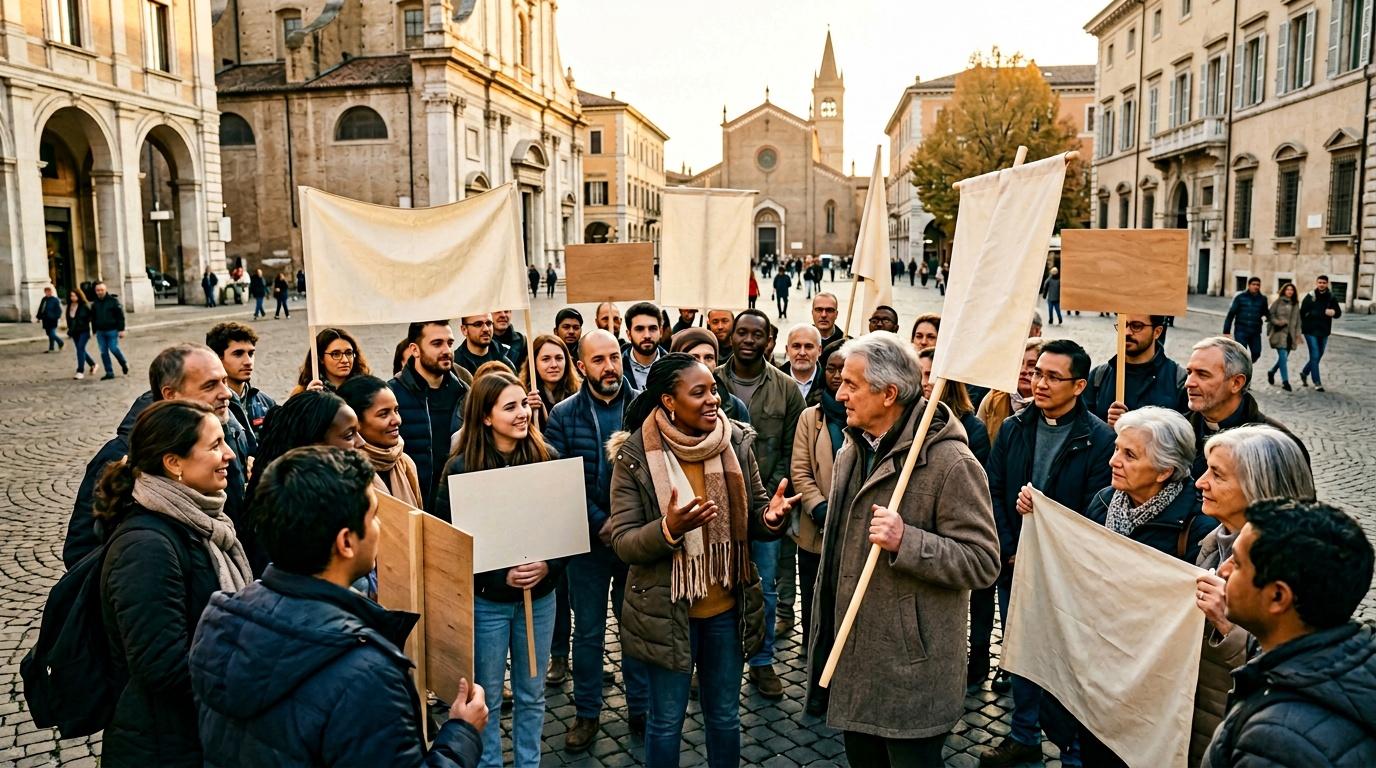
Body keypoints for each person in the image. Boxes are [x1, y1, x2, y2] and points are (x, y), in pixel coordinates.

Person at [190, 446, 487, 767]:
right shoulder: (368, 674)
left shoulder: (221, 621)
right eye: (373, 517)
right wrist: (462, 733)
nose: (380, 528)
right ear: (346, 542)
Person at [808, 334, 999, 767]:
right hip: (854, 660)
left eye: (852, 385)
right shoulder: (853, 448)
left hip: (911, 671)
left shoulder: (952, 463)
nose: (840, 394)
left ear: (889, 393)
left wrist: (907, 541)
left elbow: (983, 562)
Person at [608, 354, 797, 768]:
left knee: (725, 716)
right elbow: (623, 541)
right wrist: (668, 529)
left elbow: (756, 513)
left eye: (713, 389)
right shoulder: (635, 455)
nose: (713, 399)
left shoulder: (735, 442)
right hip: (666, 612)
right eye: (699, 393)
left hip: (726, 609)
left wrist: (771, 518)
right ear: (669, 401)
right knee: (665, 722)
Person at [96, 400, 252, 767]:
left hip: (202, 731)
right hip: (167, 747)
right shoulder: (146, 547)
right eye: (215, 445)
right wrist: (252, 671)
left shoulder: (203, 522)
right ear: (174, 463)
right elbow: (162, 667)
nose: (230, 454)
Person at [982, 338, 1114, 768]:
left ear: (1078, 386)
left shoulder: (1099, 439)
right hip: (1015, 563)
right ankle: (1023, 735)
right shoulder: (1014, 428)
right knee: (1020, 654)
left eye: (1053, 377)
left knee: (1066, 663)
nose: (1039, 383)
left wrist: (1046, 531)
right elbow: (993, 489)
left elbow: (1096, 509)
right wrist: (1010, 548)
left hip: (1066, 574)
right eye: (1038, 372)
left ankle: (1072, 749)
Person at [434, 371, 564, 768]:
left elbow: (566, 528)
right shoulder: (460, 469)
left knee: (532, 693)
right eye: (510, 407)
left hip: (539, 600)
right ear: (486, 417)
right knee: (485, 695)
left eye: (523, 404)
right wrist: (497, 575)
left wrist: (547, 565)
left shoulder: (547, 458)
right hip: (487, 603)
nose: (523, 413)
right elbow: (449, 544)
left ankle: (529, 764)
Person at [1202, 499, 1376, 767]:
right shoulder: (1351, 660)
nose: (1223, 570)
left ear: (1277, 596)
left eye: (1237, 563)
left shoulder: (1274, 742)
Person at [544, 330, 649, 751]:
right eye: (599, 360)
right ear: (581, 365)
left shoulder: (644, 407)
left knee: (635, 629)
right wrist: (599, 522)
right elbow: (560, 479)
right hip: (586, 545)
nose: (609, 367)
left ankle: (641, 708)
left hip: (635, 541)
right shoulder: (563, 415)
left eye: (614, 357)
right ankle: (586, 712)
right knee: (587, 633)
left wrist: (626, 525)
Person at [1188, 424, 1316, 765]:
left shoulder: (1298, 567)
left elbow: (1300, 670)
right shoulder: (1213, 542)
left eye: (1217, 475)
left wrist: (1228, 625)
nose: (1200, 483)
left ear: (1258, 486)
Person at [64, 344, 248, 568]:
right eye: (210, 385)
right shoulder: (121, 455)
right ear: (170, 394)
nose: (226, 393)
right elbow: (81, 551)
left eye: (224, 381)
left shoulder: (226, 434)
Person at [714, 310, 805, 697]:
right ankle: (713, 662)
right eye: (742, 332)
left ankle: (763, 661)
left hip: (767, 507)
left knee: (765, 588)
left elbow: (791, 449)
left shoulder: (787, 389)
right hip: (717, 507)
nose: (749, 340)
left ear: (769, 340)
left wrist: (764, 498)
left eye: (757, 334)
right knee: (717, 587)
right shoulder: (711, 381)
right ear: (731, 337)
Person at [788, 338, 845, 715]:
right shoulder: (812, 417)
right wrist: (820, 508)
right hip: (816, 530)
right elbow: (800, 470)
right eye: (833, 368)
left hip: (855, 533)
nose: (838, 376)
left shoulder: (867, 417)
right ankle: (816, 680)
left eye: (845, 369)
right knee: (814, 606)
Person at [243, 390, 363, 571]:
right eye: (349, 436)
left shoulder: (333, 499)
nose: (361, 442)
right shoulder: (284, 523)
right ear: (311, 445)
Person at [1184, 336, 1307, 478]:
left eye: (1203, 375)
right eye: (1189, 373)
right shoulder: (1177, 430)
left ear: (1236, 383)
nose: (1188, 383)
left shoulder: (1278, 445)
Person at [388, 320, 469, 513]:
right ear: (415, 350)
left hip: (456, 503)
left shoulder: (465, 393)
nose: (447, 350)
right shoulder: (391, 395)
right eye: (437, 343)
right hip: (411, 504)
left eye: (450, 343)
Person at [1082, 314, 1188, 426]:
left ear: (1157, 332)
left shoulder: (1178, 380)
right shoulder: (1099, 376)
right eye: (1123, 325)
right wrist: (1106, 429)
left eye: (1136, 326)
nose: (1127, 332)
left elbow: (1186, 432)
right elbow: (1082, 427)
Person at [339, 376, 424, 508]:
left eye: (396, 410)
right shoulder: (342, 473)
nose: (397, 420)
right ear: (354, 421)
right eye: (384, 414)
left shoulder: (405, 463)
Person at [206, 322, 276, 443]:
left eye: (251, 353)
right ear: (217, 358)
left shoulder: (266, 403)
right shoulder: (211, 406)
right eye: (238, 354)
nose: (248, 361)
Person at [669, 328, 751, 424]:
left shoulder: (736, 407)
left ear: (716, 363)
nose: (702, 364)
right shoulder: (659, 404)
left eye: (708, 357)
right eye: (693, 358)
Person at [977, 337, 1042, 447]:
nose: (1023, 370)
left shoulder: (1048, 405)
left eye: (1032, 365)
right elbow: (977, 438)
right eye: (1019, 363)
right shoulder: (994, 397)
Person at [519, 334, 580, 424]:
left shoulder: (580, 395)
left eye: (559, 358)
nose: (554, 365)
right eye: (546, 359)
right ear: (533, 363)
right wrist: (526, 411)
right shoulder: (523, 396)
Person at [293, 327, 371, 395]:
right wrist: (306, 400)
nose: (345, 360)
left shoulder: (368, 389)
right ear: (320, 358)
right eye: (336, 354)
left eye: (349, 353)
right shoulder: (303, 391)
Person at [1299, 274, 1343, 391]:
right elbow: (1301, 312)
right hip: (1310, 330)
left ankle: (1304, 372)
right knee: (1314, 355)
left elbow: (1338, 313)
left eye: (1324, 283)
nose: (1321, 285)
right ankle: (1317, 382)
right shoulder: (1310, 296)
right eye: (1320, 282)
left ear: (1327, 284)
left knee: (1319, 355)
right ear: (1316, 283)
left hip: (1324, 331)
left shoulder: (1331, 297)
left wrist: (1333, 312)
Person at [1266, 282, 1302, 391]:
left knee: (1283, 358)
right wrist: (1278, 322)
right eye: (1288, 289)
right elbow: (1270, 315)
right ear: (1284, 291)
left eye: (1292, 290)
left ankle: (1272, 371)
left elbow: (1298, 321)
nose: (1290, 291)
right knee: (1283, 357)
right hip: (1279, 333)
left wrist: (1298, 334)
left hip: (1290, 335)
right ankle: (1285, 382)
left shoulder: (1295, 304)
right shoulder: (1278, 302)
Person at [1223, 276, 1269, 363]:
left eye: (1258, 285)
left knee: (1256, 352)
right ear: (1249, 285)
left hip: (1255, 331)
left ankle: (1247, 364)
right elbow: (1231, 314)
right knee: (1242, 353)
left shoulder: (1263, 299)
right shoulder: (1240, 297)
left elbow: (1266, 312)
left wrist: (1272, 318)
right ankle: (1242, 366)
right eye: (1254, 284)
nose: (1256, 286)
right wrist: (1226, 331)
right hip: (1241, 330)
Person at [90, 280, 129, 380]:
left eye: (101, 290)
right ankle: (109, 372)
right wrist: (94, 330)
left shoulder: (113, 301)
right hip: (100, 331)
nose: (100, 292)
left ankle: (123, 362)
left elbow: (120, 316)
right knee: (103, 352)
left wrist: (121, 329)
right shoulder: (95, 303)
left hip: (112, 330)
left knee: (113, 348)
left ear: (105, 289)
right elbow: (93, 317)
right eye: (98, 290)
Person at [623, 302, 664, 389]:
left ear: (661, 332)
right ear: (629, 334)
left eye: (652, 328)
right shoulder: (617, 370)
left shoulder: (675, 368)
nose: (647, 335)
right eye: (639, 329)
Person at [781, 324, 824, 407]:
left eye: (808, 347)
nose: (802, 353)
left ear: (819, 350)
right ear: (787, 350)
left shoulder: (829, 385)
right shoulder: (774, 383)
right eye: (796, 346)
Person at [65, 288, 97, 378]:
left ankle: (80, 371)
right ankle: (93, 364)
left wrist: (93, 330)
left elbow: (92, 318)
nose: (73, 297)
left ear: (79, 296)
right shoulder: (69, 305)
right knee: (81, 349)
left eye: (75, 296)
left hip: (84, 330)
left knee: (80, 348)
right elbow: (69, 318)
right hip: (74, 331)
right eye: (71, 296)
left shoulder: (84, 306)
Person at [35, 285, 63, 353]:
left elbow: (59, 310)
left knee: (52, 334)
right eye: (46, 292)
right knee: (48, 334)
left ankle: (60, 342)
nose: (47, 293)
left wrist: (56, 316)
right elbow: (41, 308)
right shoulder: (44, 299)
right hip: (45, 319)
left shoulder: (55, 300)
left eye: (48, 291)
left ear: (51, 292)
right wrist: (38, 317)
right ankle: (51, 348)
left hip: (53, 320)